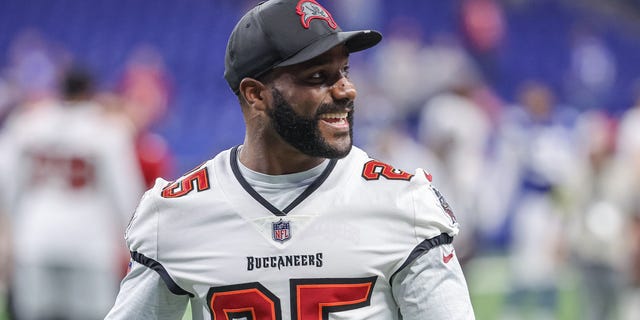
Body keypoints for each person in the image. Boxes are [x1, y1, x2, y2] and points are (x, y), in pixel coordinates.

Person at [106, 0, 475, 319]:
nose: (347, 90)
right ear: (256, 95)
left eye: (344, 71)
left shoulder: (404, 201)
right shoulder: (176, 213)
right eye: (318, 76)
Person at [0, 66, 145, 320]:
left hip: (35, 237)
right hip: (90, 243)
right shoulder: (108, 129)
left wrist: (10, 227)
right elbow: (124, 189)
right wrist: (130, 238)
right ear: (91, 91)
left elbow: (7, 179)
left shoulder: (28, 123)